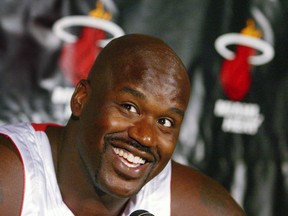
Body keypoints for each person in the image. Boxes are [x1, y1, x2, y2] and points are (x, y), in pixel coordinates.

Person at [0, 34, 245, 216]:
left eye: (165, 122)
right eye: (129, 107)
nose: (146, 137)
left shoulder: (193, 206)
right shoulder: (9, 177)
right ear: (81, 99)